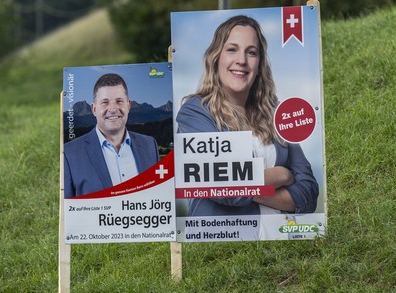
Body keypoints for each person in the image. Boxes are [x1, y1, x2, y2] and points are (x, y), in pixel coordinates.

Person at [176, 15, 318, 216]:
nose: (241, 60)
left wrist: (245, 185)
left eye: (251, 53)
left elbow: (309, 193)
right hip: (223, 241)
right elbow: (223, 189)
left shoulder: (277, 113)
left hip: (279, 241)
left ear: (259, 65)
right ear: (216, 58)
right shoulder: (195, 112)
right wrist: (282, 175)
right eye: (232, 49)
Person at [64, 73, 160, 197]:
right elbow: (67, 210)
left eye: (119, 101)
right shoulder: (69, 153)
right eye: (105, 102)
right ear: (94, 109)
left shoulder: (149, 145)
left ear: (128, 105)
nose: (113, 108)